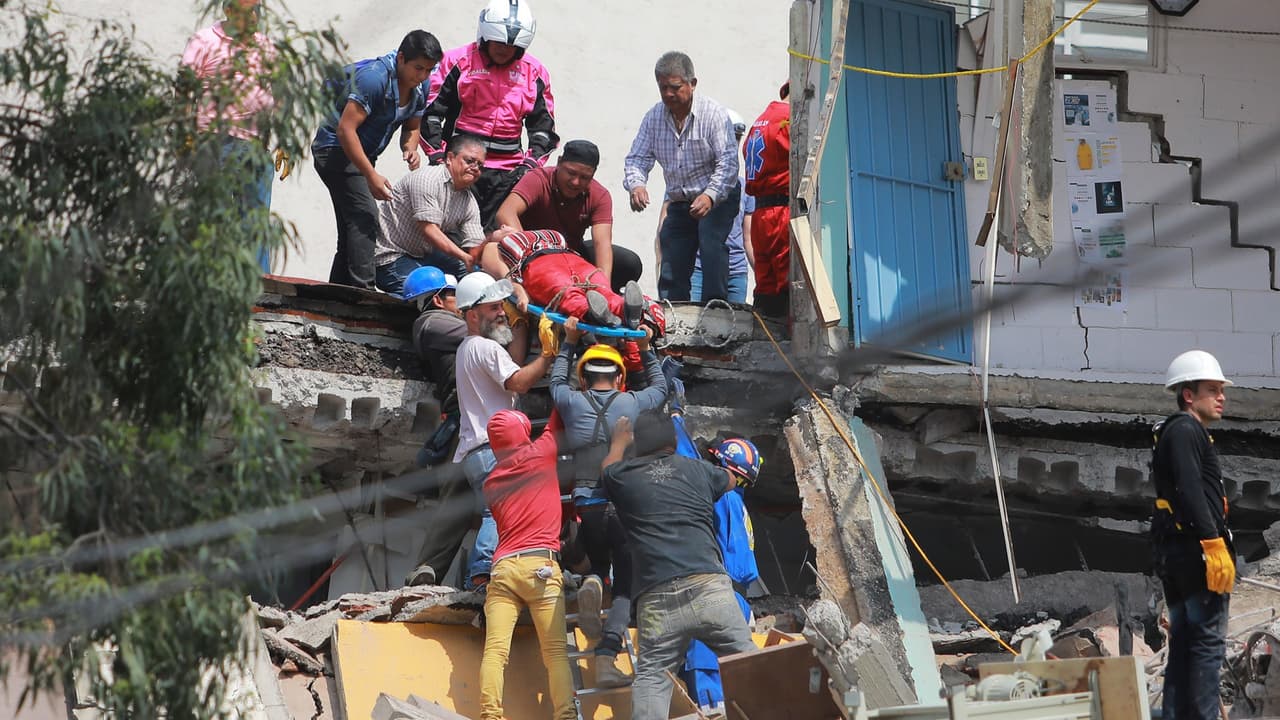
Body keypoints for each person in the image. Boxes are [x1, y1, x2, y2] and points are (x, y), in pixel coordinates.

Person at [601, 412, 757, 719]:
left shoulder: (623, 476)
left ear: (638, 445)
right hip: (709, 588)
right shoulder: (699, 471)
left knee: (651, 680)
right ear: (674, 441)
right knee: (748, 665)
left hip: (657, 600)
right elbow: (729, 478)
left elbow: (606, 469)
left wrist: (618, 442)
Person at [551, 318, 667, 688]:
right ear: (618, 378)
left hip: (587, 504)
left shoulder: (571, 401)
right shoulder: (631, 402)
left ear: (584, 378)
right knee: (626, 586)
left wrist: (568, 343)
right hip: (623, 506)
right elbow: (661, 387)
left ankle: (592, 581)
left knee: (598, 559)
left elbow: (555, 382)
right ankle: (607, 654)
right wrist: (646, 349)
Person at [313, 30, 443, 289]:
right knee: (366, 217)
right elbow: (345, 130)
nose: (422, 76)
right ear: (402, 58)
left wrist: (410, 148)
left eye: (429, 70)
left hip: (361, 156)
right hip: (335, 150)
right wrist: (370, 176)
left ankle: (337, 293)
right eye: (418, 68)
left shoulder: (421, 87)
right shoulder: (374, 78)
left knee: (352, 228)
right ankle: (364, 291)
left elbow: (412, 127)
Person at [452, 271, 557, 590]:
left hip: (478, 451)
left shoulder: (470, 348)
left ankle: (488, 570)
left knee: (499, 511)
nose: (501, 313)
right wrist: (550, 356)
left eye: (502, 306)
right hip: (489, 449)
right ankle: (482, 573)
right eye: (493, 309)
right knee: (495, 513)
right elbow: (519, 382)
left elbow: (512, 364)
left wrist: (521, 319)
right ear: (472, 315)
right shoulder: (484, 348)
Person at [421, 0, 558, 229]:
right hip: (459, 167)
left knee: (497, 241)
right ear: (485, 36)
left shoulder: (535, 72)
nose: (504, 49)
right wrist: (437, 157)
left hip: (509, 173)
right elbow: (430, 113)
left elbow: (544, 129)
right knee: (452, 236)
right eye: (498, 42)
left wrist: (529, 166)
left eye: (511, 45)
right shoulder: (457, 61)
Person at [1152, 349, 1236, 720]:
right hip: (1196, 554)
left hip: (1179, 552)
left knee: (1185, 644)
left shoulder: (1178, 432)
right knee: (1206, 646)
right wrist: (1212, 542)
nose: (1222, 397)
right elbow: (1188, 488)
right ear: (1189, 394)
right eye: (1213, 389)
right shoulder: (1186, 430)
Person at [477, 409, 576, 720]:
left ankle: (490, 715)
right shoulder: (541, 452)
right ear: (522, 432)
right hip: (540, 568)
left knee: (495, 652)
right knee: (556, 653)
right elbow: (559, 414)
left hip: (503, 569)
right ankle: (565, 715)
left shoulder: (491, 483)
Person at [624, 51, 740, 303]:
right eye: (662, 87)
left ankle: (715, 307)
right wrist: (637, 184)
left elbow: (729, 163)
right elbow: (637, 158)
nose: (668, 94)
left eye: (675, 87)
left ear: (692, 84)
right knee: (671, 251)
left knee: (710, 243)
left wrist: (710, 196)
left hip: (718, 196)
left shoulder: (713, 114)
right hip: (680, 200)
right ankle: (671, 311)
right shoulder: (654, 117)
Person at [178, 0, 282, 273]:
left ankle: (258, 286)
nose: (255, 18)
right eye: (249, 11)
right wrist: (184, 135)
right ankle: (214, 281)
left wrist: (284, 140)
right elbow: (184, 90)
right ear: (229, 10)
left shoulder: (266, 46)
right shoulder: (203, 40)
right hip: (214, 143)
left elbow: (278, 93)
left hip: (256, 145)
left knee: (256, 220)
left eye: (258, 11)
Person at [680, 437, 763, 714]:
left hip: (716, 596)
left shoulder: (721, 498)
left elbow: (685, 462)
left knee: (708, 682)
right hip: (737, 597)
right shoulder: (737, 504)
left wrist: (675, 419)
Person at [495, 139, 642, 291]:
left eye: (584, 177)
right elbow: (505, 213)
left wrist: (604, 288)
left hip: (570, 254)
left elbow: (602, 243)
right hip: (532, 255)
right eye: (571, 173)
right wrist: (529, 254)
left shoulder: (600, 195)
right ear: (559, 163)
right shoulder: (537, 179)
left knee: (629, 263)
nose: (576, 182)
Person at [372, 134, 487, 294]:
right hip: (391, 257)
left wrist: (492, 246)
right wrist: (464, 256)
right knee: (430, 295)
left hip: (424, 255)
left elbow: (474, 246)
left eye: (481, 166)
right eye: (469, 161)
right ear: (450, 158)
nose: (476, 168)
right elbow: (429, 230)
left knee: (476, 281)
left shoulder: (469, 200)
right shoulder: (427, 179)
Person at [671, 109, 754, 304]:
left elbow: (748, 238)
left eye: (737, 138)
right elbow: (667, 229)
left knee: (733, 327)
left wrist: (760, 272)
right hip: (699, 271)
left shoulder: (744, 188)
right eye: (728, 137)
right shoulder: (689, 183)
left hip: (736, 272)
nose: (732, 144)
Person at [743, 81, 792, 317]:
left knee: (765, 283)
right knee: (787, 283)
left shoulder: (759, 121)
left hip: (760, 214)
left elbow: (746, 152)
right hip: (781, 213)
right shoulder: (790, 120)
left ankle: (764, 340)